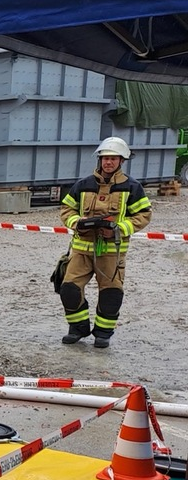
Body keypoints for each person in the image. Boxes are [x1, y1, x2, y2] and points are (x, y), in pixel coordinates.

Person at [58, 137, 152, 349]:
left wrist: (118, 229)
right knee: (69, 290)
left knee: (111, 294)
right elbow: (67, 209)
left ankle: (103, 334)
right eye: (105, 158)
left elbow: (143, 215)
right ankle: (77, 329)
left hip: (112, 252)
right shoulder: (84, 185)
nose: (108, 162)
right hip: (81, 250)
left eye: (113, 158)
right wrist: (77, 223)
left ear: (121, 160)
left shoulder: (132, 187)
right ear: (99, 160)